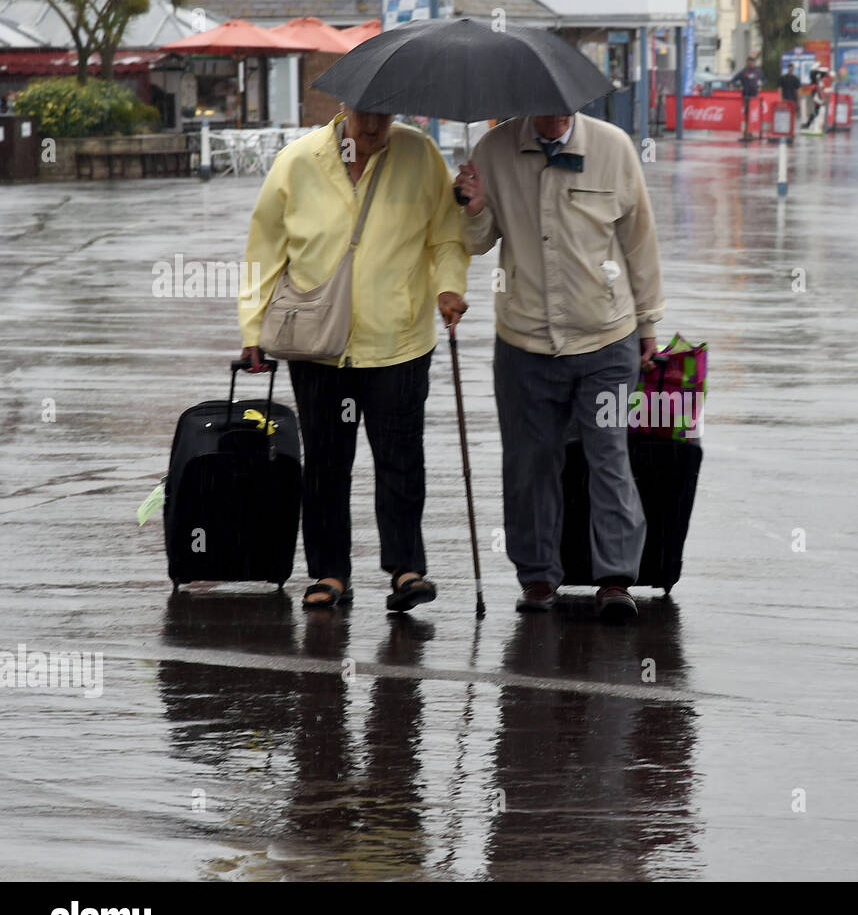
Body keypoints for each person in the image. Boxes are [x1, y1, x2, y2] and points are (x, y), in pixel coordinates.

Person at [239, 105, 469, 612]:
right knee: (324, 463)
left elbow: (447, 233)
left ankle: (406, 569)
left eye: (383, 117)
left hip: (399, 340)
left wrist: (450, 286)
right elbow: (265, 248)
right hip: (321, 344)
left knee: (401, 459)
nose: (373, 128)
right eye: (365, 116)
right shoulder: (298, 162)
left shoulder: (419, 154)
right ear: (344, 109)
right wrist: (253, 327)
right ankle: (328, 573)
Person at [452, 112, 665, 621]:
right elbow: (476, 242)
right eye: (544, 106)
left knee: (608, 455)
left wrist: (649, 323)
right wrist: (474, 208)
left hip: (607, 338)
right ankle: (539, 577)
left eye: (565, 106)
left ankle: (614, 579)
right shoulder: (494, 151)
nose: (556, 115)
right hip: (525, 341)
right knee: (530, 463)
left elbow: (639, 239)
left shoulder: (614, 148)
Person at [730, 55, 765, 140]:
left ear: (754, 63)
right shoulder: (743, 72)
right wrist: (739, 86)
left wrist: (761, 84)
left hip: (755, 97)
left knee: (753, 114)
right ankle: (747, 132)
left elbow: (764, 79)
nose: (751, 64)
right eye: (749, 62)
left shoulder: (758, 71)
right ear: (747, 63)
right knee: (747, 113)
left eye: (752, 62)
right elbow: (733, 80)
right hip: (746, 96)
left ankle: (751, 131)